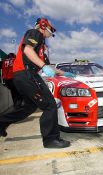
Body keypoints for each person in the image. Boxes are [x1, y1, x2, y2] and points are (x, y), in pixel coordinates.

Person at [0, 17, 75, 148]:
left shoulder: (41, 46)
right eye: (51, 30)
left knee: (28, 107)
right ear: (43, 26)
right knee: (50, 105)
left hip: (23, 76)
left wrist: (65, 74)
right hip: (26, 74)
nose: (51, 34)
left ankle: (1, 123)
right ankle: (51, 140)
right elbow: (27, 50)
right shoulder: (35, 33)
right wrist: (43, 67)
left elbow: (48, 66)